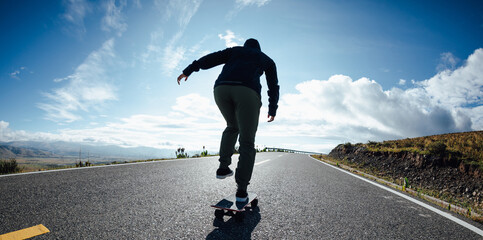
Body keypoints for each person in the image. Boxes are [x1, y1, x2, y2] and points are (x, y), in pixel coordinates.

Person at [177, 38, 279, 202]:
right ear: (258, 49)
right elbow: (273, 85)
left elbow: (211, 58)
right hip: (247, 92)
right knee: (247, 142)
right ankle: (241, 191)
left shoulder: (235, 51)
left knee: (232, 126)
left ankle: (223, 167)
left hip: (221, 89)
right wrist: (272, 108)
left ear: (245, 46)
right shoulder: (265, 59)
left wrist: (189, 70)